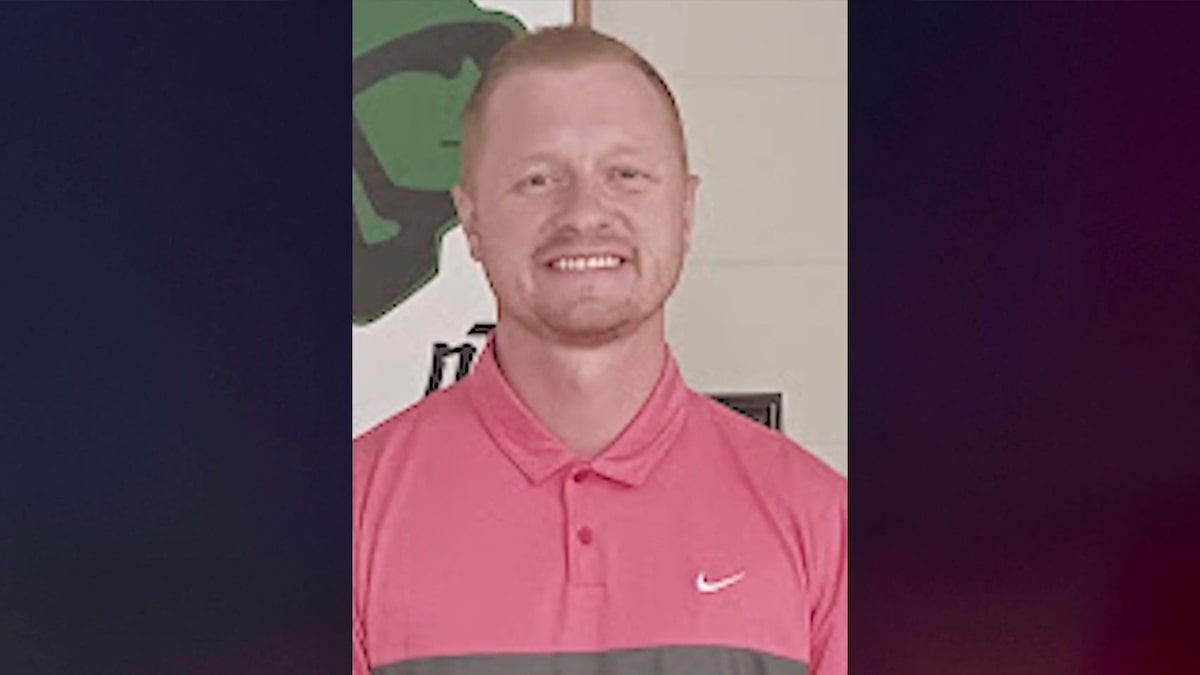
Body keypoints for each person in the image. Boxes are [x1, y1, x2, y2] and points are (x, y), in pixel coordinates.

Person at [353, 25, 846, 675]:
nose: (585, 212)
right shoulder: (351, 517)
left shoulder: (822, 520)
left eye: (626, 174)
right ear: (471, 221)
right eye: (537, 179)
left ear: (685, 209)